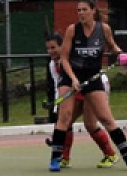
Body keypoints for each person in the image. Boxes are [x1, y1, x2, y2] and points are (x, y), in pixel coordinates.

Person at [49, 0, 127, 172]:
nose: (81, 13)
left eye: (84, 10)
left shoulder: (104, 29)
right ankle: (56, 159)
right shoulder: (72, 30)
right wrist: (74, 79)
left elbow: (113, 46)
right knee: (64, 117)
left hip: (93, 78)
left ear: (93, 11)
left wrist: (120, 53)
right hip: (71, 78)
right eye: (78, 10)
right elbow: (64, 58)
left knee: (107, 119)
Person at [44, 32, 117, 168]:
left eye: (53, 48)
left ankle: (111, 155)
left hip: (96, 86)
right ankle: (64, 158)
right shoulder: (52, 65)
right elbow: (58, 86)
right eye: (48, 48)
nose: (50, 51)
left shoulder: (73, 58)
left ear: (63, 46)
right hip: (76, 89)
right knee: (66, 120)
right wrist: (57, 107)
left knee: (90, 123)